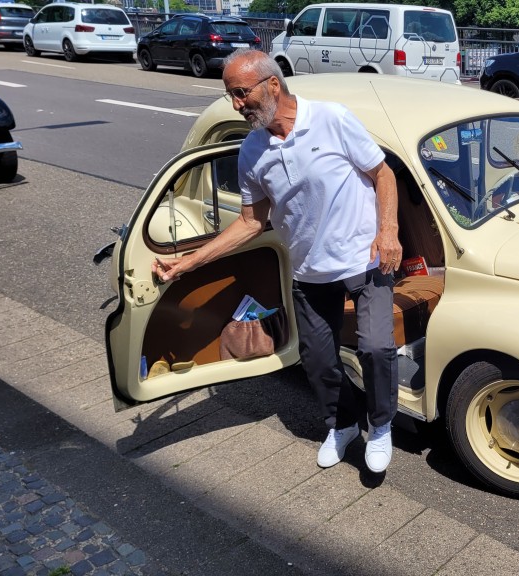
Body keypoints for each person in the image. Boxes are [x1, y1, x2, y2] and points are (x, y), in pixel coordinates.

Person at [152, 49, 402, 474]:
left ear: (272, 84)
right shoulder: (251, 151)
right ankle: (341, 425)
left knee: (377, 348)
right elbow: (251, 222)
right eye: (230, 95)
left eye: (240, 92)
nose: (236, 104)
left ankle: (380, 428)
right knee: (318, 357)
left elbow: (383, 174)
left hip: (365, 258)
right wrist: (188, 263)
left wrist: (389, 230)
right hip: (309, 270)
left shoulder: (332, 119)